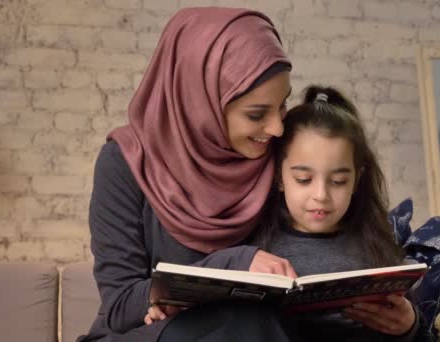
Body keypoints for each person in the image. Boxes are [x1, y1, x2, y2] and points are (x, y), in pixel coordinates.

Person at [79, 7, 298, 342]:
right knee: (244, 323)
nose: (277, 128)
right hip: (146, 335)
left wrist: (406, 322)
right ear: (200, 102)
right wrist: (237, 262)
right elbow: (121, 306)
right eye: (256, 114)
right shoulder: (124, 163)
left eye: (282, 105)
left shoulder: (275, 158)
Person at [252, 85, 419, 341]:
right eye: (304, 179)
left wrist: (409, 326)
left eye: (338, 181)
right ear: (279, 177)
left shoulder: (375, 246)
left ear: (356, 180)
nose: (321, 195)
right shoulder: (259, 247)